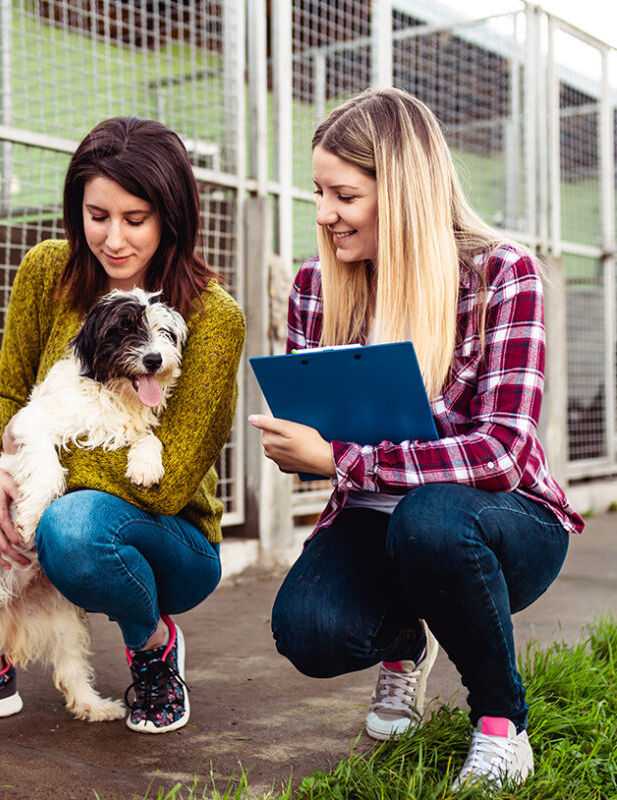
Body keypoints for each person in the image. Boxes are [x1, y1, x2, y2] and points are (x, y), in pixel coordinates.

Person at [248, 87, 583, 791]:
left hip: (501, 522)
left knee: (432, 520)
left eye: (343, 194)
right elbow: (323, 444)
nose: (324, 214)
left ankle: (501, 727)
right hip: (376, 516)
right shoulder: (315, 285)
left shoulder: (501, 276)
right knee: (307, 629)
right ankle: (405, 642)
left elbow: (500, 454)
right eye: (318, 192)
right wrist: (302, 448)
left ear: (399, 192)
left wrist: (341, 457)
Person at [0, 116, 245, 736]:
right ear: (78, 211)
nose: (115, 239)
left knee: (70, 524)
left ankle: (152, 646)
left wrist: (36, 454)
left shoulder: (211, 315)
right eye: (98, 216)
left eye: (136, 218)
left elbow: (170, 478)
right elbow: (8, 389)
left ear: (171, 216)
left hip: (163, 533)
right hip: (29, 477)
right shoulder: (50, 270)